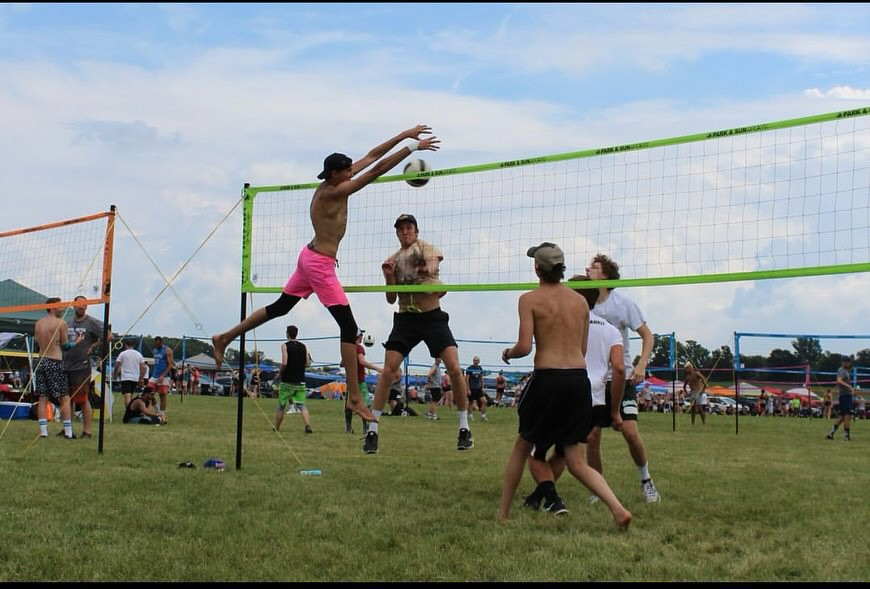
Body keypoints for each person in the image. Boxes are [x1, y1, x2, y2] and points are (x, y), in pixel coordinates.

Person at [211, 125, 440, 423]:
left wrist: (404, 135)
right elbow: (376, 170)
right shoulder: (336, 190)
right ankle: (355, 398)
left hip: (310, 256)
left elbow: (372, 156)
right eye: (347, 171)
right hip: (319, 264)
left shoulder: (336, 179)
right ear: (335, 174)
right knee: (348, 328)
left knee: (280, 307)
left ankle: (224, 337)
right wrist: (412, 149)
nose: (351, 172)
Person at [497, 242, 631, 529]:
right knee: (577, 461)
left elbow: (523, 346)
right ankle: (619, 510)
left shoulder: (529, 299)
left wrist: (507, 353)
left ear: (537, 268)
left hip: (548, 378)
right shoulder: (580, 302)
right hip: (577, 381)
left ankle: (503, 514)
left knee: (523, 446)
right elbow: (581, 349)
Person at [364, 213, 472, 454]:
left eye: (409, 227)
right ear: (396, 233)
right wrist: (390, 276)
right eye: (401, 229)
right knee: (388, 371)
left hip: (432, 317)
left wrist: (424, 268)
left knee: (454, 368)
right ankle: (372, 430)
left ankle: (464, 427)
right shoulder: (391, 260)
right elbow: (391, 297)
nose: (405, 232)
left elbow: (433, 264)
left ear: (416, 230)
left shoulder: (425, 247)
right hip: (405, 319)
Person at [522, 274, 626, 510]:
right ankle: (540, 497)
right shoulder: (611, 330)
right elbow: (619, 368)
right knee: (563, 453)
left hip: (564, 391)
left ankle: (552, 499)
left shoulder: (565, 322)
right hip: (594, 401)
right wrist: (615, 410)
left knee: (535, 452)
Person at [585, 253, 661, 503]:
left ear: (605, 274)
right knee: (592, 435)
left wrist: (641, 364)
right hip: (594, 380)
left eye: (594, 267)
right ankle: (597, 488)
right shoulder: (583, 303)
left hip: (622, 377)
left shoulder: (623, 303)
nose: (588, 269)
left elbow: (648, 336)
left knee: (629, 431)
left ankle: (646, 480)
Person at [34, 297, 81, 439]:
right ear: (53, 307)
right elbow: (66, 346)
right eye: (60, 306)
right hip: (55, 361)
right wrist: (77, 341)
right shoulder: (61, 323)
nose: (62, 308)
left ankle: (43, 432)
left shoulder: (38, 323)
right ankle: (68, 432)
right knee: (64, 397)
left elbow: (37, 341)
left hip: (41, 361)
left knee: (43, 397)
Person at [63, 295, 105, 439]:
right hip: (66, 364)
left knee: (82, 399)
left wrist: (93, 346)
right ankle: (67, 430)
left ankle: (87, 431)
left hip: (82, 365)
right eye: (78, 304)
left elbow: (109, 336)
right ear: (73, 305)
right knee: (66, 398)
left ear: (86, 306)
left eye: (83, 304)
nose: (80, 306)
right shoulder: (68, 323)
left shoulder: (91, 322)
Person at [275, 325, 313, 434]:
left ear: (287, 333)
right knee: (301, 405)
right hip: (300, 380)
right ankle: (307, 425)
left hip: (287, 380)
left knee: (281, 405)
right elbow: (307, 363)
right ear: (297, 334)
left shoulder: (284, 346)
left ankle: (277, 428)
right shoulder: (303, 346)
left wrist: (280, 373)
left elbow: (284, 362)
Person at [343, 329, 381, 433]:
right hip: (359, 381)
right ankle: (365, 428)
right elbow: (362, 361)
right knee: (365, 404)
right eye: (361, 335)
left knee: (349, 404)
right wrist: (377, 368)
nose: (362, 336)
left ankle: (348, 429)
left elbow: (342, 363)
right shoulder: (359, 348)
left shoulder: (348, 348)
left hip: (350, 380)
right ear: (358, 337)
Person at [826, 357, 856, 441]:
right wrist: (850, 387)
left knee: (842, 416)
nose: (847, 363)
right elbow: (839, 381)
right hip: (845, 395)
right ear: (842, 362)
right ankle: (846, 436)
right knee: (847, 415)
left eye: (848, 362)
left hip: (846, 395)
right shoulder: (842, 370)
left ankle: (830, 433)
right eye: (845, 362)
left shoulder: (846, 371)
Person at [113, 338, 146, 409]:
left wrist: (115, 374)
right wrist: (141, 377)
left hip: (126, 377)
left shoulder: (122, 354)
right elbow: (143, 367)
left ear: (125, 345)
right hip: (135, 378)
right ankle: (131, 410)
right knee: (131, 395)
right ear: (133, 346)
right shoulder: (139, 354)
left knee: (127, 395)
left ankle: (128, 412)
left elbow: (117, 365)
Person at [147, 336, 174, 420]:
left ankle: (162, 414)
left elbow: (170, 364)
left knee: (162, 395)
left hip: (165, 376)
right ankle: (157, 409)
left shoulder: (167, 350)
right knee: (148, 392)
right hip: (155, 375)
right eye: (155, 344)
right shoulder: (154, 350)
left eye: (158, 344)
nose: (156, 346)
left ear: (161, 342)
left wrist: (163, 375)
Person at [682, 361, 708, 426]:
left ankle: (703, 422)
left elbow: (704, 380)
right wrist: (687, 393)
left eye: (687, 368)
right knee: (693, 408)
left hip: (698, 392)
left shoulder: (696, 373)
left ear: (690, 367)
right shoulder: (688, 377)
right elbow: (684, 386)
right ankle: (693, 423)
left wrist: (703, 389)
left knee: (699, 407)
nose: (686, 370)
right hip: (692, 392)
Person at [465, 355, 488, 422]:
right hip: (471, 388)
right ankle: (470, 416)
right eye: (474, 360)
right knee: (470, 402)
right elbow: (467, 380)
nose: (475, 362)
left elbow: (481, 378)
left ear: (479, 361)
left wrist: (483, 387)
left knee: (484, 401)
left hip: (478, 388)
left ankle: (483, 416)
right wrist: (468, 389)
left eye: (477, 360)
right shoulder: (469, 368)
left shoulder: (480, 368)